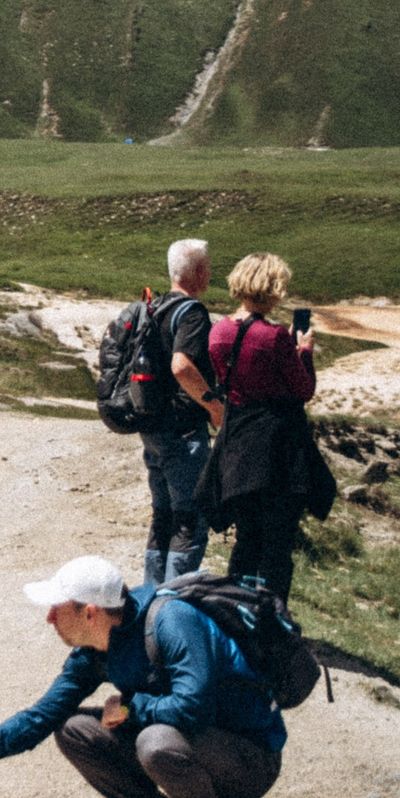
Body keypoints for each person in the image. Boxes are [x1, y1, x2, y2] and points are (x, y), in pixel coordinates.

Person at [0, 555, 284, 798]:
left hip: (250, 760)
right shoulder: (95, 650)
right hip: (191, 747)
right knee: (74, 729)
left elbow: (194, 708)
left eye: (57, 608)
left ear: (90, 613)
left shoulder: (173, 620)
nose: (49, 618)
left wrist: (131, 707)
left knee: (154, 741)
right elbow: (46, 712)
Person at [195, 252, 336, 600]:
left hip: (238, 445)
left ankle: (236, 610)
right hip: (278, 449)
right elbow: (303, 389)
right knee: (277, 547)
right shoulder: (274, 337)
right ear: (273, 289)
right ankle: (272, 619)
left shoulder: (219, 331)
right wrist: (304, 351)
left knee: (247, 539)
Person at [142, 238, 227, 586]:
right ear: (200, 272)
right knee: (188, 521)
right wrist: (213, 406)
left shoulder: (155, 307)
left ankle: (150, 596)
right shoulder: (192, 313)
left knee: (162, 517)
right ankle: (173, 600)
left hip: (152, 428)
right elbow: (181, 366)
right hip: (183, 433)